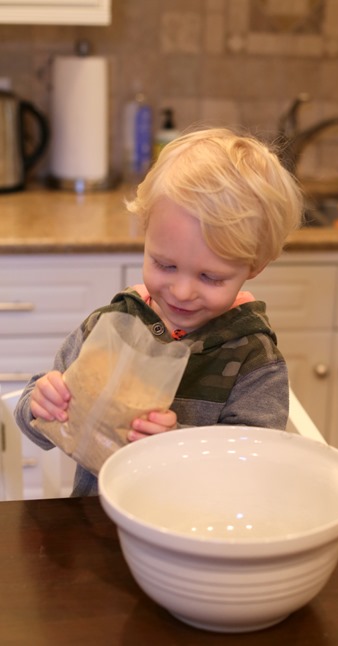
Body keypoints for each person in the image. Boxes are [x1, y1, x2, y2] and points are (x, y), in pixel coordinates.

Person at [14, 127, 303, 496]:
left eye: (210, 277)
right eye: (165, 265)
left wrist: (175, 446)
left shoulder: (253, 360)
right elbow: (37, 418)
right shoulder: (112, 325)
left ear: (254, 267)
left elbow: (255, 463)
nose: (182, 291)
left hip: (193, 538)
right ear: (146, 235)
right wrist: (41, 402)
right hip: (95, 528)